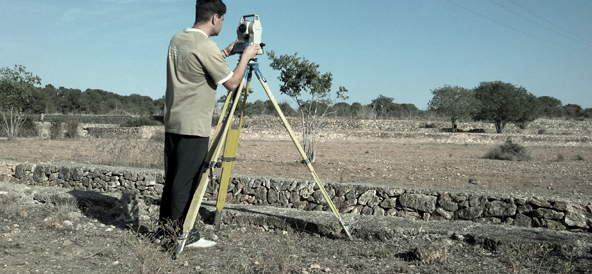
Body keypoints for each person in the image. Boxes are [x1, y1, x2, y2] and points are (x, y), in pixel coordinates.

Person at [159, 0, 259, 248]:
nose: (223, 24)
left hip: (173, 120)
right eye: (223, 20)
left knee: (173, 180)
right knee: (187, 183)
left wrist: (224, 53)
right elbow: (232, 83)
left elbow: (195, 65)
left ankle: (165, 231)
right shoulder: (206, 46)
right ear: (215, 17)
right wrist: (245, 56)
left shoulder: (178, 39)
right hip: (194, 125)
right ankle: (180, 237)